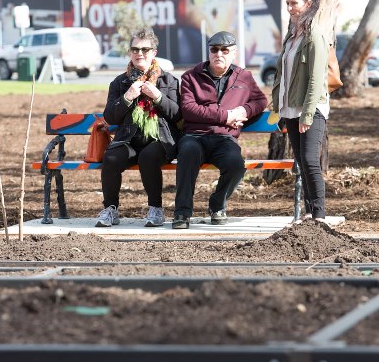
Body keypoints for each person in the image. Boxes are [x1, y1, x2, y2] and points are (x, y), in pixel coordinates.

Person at [172, 31, 267, 229]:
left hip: (224, 138)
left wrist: (244, 110)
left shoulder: (244, 77)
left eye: (225, 50)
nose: (219, 54)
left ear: (234, 53)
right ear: (209, 52)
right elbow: (189, 110)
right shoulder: (190, 77)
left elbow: (260, 101)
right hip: (194, 136)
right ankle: (182, 212)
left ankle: (217, 204)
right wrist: (226, 116)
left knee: (235, 164)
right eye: (214, 50)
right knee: (187, 153)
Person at [97, 27, 181, 228]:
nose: (139, 53)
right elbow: (109, 116)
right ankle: (111, 209)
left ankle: (155, 208)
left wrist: (158, 97)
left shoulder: (168, 81)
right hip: (129, 139)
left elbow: (178, 115)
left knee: (148, 157)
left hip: (161, 139)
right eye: (135, 49)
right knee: (111, 158)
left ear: (154, 53)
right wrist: (127, 98)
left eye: (145, 49)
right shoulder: (120, 82)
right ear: (129, 52)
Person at [272, 0, 329, 223]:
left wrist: (307, 114)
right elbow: (283, 74)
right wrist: (280, 109)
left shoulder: (314, 34)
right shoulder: (292, 36)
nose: (290, 7)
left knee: (309, 160)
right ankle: (308, 213)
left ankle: (319, 215)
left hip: (311, 108)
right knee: (301, 162)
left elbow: (316, 78)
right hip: (291, 109)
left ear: (307, 4)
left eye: (294, 3)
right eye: (287, 3)